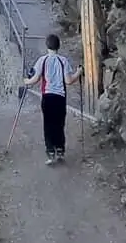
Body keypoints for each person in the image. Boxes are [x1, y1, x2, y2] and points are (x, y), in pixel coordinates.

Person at [23, 34, 82, 165]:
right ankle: (60, 149)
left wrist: (26, 81)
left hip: (47, 97)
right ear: (58, 46)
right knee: (59, 124)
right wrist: (78, 72)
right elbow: (69, 81)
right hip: (60, 98)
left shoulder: (42, 60)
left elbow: (35, 78)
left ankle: (50, 152)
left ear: (47, 46)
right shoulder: (63, 61)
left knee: (48, 125)